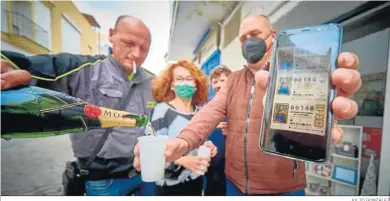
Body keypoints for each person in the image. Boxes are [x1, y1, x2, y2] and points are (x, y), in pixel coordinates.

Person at [133, 14, 362, 196]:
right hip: (236, 185)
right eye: (243, 38)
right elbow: (211, 111)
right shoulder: (233, 80)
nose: (248, 42)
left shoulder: (296, 72)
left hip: (283, 187)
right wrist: (183, 141)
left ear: (273, 36)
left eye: (255, 34)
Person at [1, 15, 157, 196]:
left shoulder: (153, 81)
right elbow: (30, 68)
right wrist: (10, 70)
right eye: (129, 43)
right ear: (112, 35)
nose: (137, 54)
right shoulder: (81, 69)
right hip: (102, 180)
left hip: (145, 174)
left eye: (144, 49)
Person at [149, 60, 217, 196]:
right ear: (171, 85)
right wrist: (182, 161)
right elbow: (152, 152)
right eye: (179, 79)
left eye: (189, 79)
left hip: (195, 182)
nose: (184, 83)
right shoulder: (162, 111)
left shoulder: (201, 112)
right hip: (170, 187)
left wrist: (208, 145)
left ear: (196, 83)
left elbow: (199, 141)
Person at [203, 65, 232, 196]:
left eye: (222, 80)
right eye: (215, 82)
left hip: (233, 168)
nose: (218, 85)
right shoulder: (208, 107)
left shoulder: (238, 106)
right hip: (213, 168)